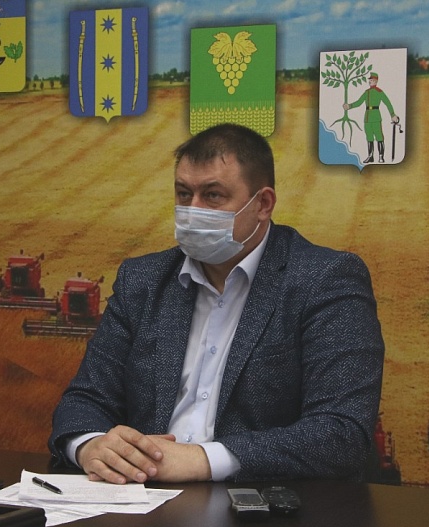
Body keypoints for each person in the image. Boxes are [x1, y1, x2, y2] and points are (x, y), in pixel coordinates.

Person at [49, 123, 385, 484]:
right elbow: (85, 399)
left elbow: (341, 433)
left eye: (212, 195)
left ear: (263, 204)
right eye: (183, 194)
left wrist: (203, 459)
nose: (192, 210)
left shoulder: (324, 279)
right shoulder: (143, 280)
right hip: (140, 495)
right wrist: (91, 446)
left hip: (260, 503)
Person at [343, 72, 399, 163]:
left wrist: (392, 114)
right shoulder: (366, 92)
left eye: (372, 80)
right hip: (367, 118)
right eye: (370, 80)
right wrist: (349, 106)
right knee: (369, 137)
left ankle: (381, 156)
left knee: (379, 137)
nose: (370, 81)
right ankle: (370, 156)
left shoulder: (379, 92)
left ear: (376, 81)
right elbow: (359, 102)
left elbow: (387, 103)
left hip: (376, 117)